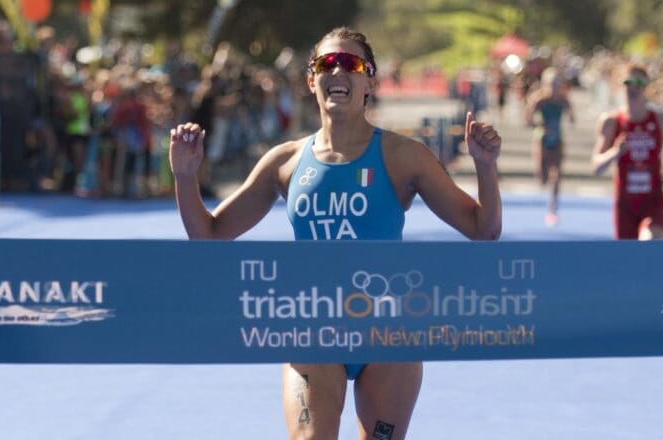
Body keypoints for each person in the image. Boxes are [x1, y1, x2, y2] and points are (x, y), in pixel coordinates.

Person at [169, 26, 502, 439]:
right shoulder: (285, 161)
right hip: (313, 327)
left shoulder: (404, 156)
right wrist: (185, 177)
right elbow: (209, 237)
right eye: (327, 62)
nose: (338, 70)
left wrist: (486, 169)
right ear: (312, 79)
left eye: (352, 63)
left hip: (388, 330)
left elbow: (482, 231)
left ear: (369, 81)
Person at [591, 64, 663, 240]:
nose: (634, 87)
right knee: (628, 261)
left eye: (639, 82)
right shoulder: (611, 122)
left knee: (650, 243)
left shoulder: (662, 120)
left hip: (653, 201)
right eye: (628, 81)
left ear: (647, 85)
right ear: (620, 84)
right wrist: (615, 152)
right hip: (624, 203)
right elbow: (596, 166)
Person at [525, 68, 574, 226]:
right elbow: (527, 121)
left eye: (557, 84)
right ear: (545, 84)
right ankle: (544, 177)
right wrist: (539, 123)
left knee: (556, 175)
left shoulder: (563, 100)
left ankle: (553, 208)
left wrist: (571, 114)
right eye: (551, 84)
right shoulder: (540, 100)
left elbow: (572, 117)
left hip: (557, 139)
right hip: (542, 139)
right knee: (543, 178)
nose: (554, 87)